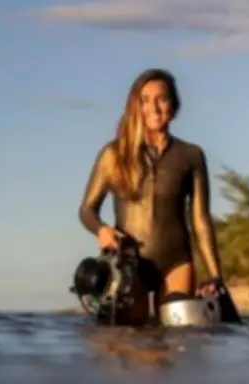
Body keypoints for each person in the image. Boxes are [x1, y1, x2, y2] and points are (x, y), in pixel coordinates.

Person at [77, 68, 225, 324]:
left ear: (174, 105)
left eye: (162, 99)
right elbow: (87, 210)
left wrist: (214, 275)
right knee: (134, 347)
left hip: (176, 261)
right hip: (129, 266)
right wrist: (101, 230)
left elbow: (200, 220)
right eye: (145, 100)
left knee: (179, 342)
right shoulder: (113, 154)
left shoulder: (191, 156)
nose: (154, 108)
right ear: (134, 106)